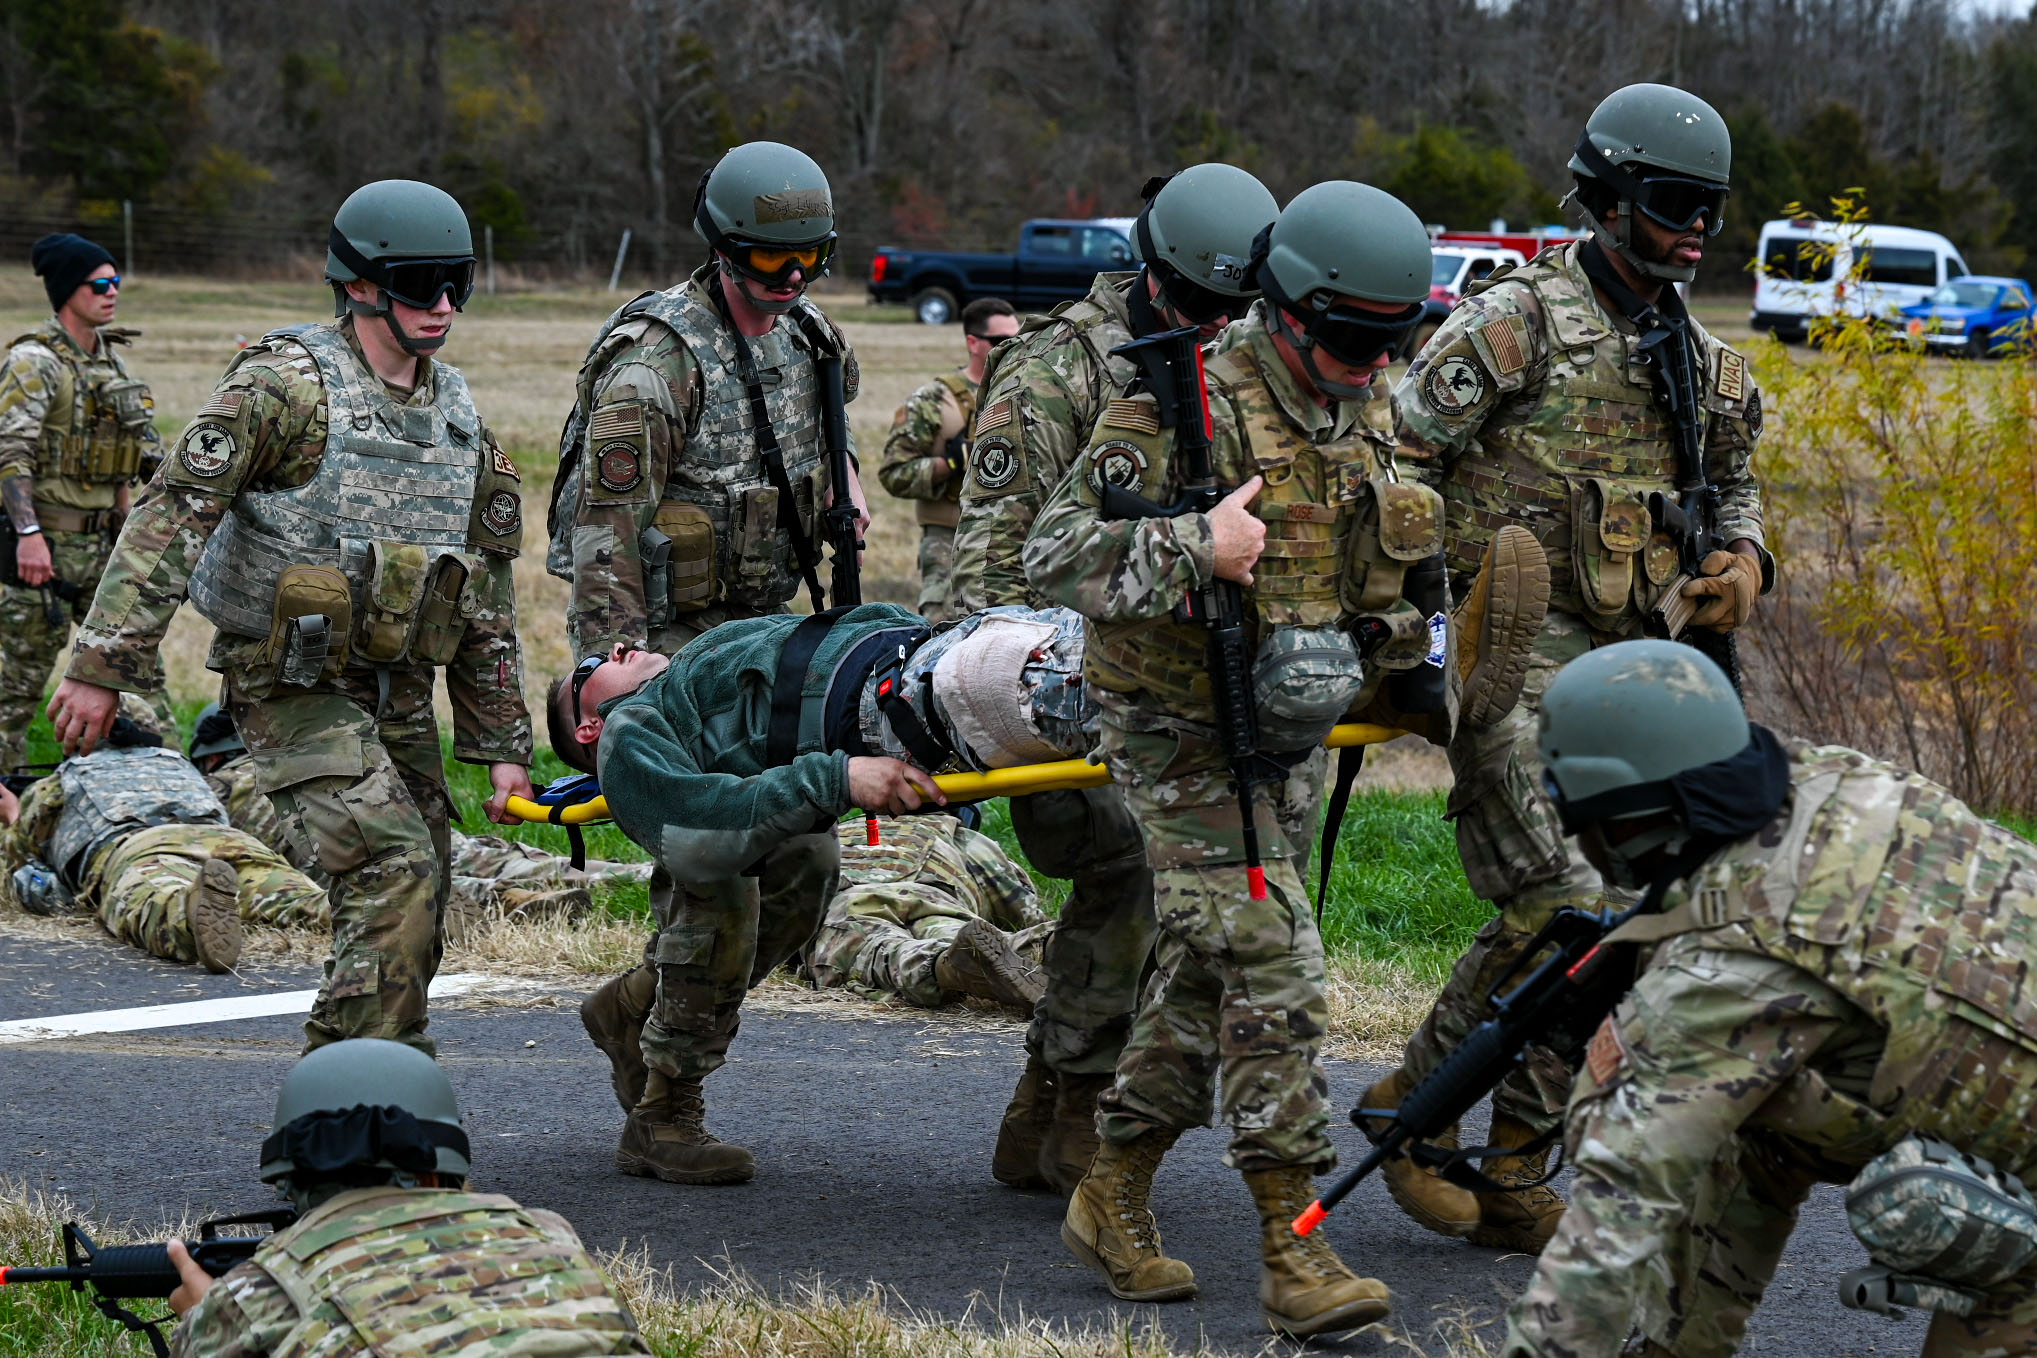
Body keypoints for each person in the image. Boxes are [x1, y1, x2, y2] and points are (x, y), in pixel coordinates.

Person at [1024, 180, 1441, 1336]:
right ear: (1292, 308)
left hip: (1284, 737)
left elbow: (1396, 562)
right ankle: (1291, 1245)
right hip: (1174, 732)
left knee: (1210, 972)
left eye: (1388, 341)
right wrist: (1193, 544)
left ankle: (1110, 1191)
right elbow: (1053, 552)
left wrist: (1395, 642)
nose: (1369, 363)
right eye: (1351, 340)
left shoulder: (1368, 406)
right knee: (1275, 960)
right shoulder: (1180, 393)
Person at [1373, 82, 1773, 1253]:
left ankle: (1515, 1160)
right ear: (1604, 199)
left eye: (1710, 206)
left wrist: (1744, 557)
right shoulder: (1517, 325)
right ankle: (1414, 1109)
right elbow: (1397, 465)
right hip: (1508, 653)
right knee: (1561, 904)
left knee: (1640, 911)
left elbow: (1737, 478)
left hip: (1635, 663)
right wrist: (1420, 621)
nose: (1694, 227)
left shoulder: (1701, 360)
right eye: (1670, 203)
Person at [44, 179, 535, 1058]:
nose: (445, 305)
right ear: (359, 285)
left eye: (457, 281)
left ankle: (388, 1086)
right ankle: (343, 1114)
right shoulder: (284, 389)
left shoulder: (457, 418)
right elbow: (171, 515)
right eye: (422, 283)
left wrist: (500, 748)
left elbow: (484, 595)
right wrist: (99, 666)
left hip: (399, 687)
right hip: (289, 682)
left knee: (424, 890)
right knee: (392, 871)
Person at [1498, 639, 2037, 1357]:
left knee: (1911, 1198)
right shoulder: (1836, 782)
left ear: (1616, 819)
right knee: (1758, 1109)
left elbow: (1611, 1223)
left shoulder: (1722, 977)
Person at [952, 163, 1281, 1199]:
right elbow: (988, 571)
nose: (1220, 328)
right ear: (1153, 274)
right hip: (1049, 685)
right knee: (1133, 854)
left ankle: (1050, 1105)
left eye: (1240, 311)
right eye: (1201, 307)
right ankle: (1077, 1098)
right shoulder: (1056, 367)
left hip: (1180, 676)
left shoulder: (1248, 369)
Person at [547, 141, 869, 1130]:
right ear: (724, 252)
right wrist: (618, 681)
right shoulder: (656, 366)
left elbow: (827, 453)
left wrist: (843, 492)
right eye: (773, 265)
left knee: (807, 868)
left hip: (769, 655)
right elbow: (602, 534)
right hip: (677, 663)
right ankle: (667, 1102)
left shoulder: (810, 341)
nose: (793, 283)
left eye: (810, 261)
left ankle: (637, 1007)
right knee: (716, 874)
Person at [550, 602, 1091, 1176]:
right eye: (590, 666)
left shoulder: (701, 657)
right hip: (734, 818)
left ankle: (633, 1000)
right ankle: (662, 1117)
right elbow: (694, 833)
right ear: (589, 725)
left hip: (838, 717)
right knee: (719, 908)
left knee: (809, 868)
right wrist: (839, 777)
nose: (616, 648)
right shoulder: (629, 728)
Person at [165, 1037, 651, 1356]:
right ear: (448, 1162)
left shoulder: (261, 1290)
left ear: (287, 1175)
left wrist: (202, 1315)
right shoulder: (547, 1233)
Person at [186, 702, 648, 938]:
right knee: (480, 854)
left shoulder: (218, 788)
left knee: (402, 877)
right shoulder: (305, 761)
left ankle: (509, 902)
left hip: (322, 845)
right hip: (388, 813)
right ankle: (629, 874)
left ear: (209, 760)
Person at [0, 233, 170, 767]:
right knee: (12, 692)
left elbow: (133, 460)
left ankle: (163, 801)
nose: (112, 291)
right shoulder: (34, 362)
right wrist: (28, 537)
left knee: (142, 691)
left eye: (116, 281)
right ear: (66, 289)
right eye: (99, 283)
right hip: (42, 554)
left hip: (104, 553)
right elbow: (10, 454)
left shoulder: (110, 364)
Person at [0, 699, 325, 975]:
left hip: (141, 849)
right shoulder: (181, 765)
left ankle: (190, 911)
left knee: (157, 903)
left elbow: (23, 870)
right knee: (295, 899)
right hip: (227, 840)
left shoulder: (55, 786)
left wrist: (14, 815)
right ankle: (342, 914)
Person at [804, 812, 1047, 1009]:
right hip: (934, 898)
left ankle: (946, 967)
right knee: (959, 934)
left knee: (884, 952)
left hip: (850, 901)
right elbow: (1020, 907)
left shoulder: (841, 831)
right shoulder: (960, 836)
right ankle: (1053, 945)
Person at [877, 296, 1019, 623]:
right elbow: (894, 473)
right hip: (949, 542)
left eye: (1018, 339)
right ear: (973, 342)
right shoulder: (933, 400)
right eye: (1001, 341)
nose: (1013, 347)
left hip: (1014, 542)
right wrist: (949, 464)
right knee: (944, 630)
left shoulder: (1027, 392)